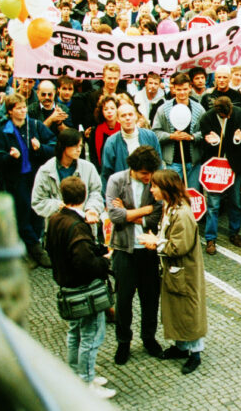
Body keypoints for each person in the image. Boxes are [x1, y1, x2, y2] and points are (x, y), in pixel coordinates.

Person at [44, 176, 115, 399]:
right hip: (84, 290)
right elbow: (85, 263)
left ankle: (76, 374)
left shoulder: (55, 219)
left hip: (66, 286)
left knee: (74, 334)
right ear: (84, 197)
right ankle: (86, 382)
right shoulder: (77, 226)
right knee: (91, 336)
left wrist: (98, 250)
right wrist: (106, 260)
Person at [139, 170, 207, 375]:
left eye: (154, 186)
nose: (151, 189)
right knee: (177, 309)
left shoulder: (182, 213)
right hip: (176, 271)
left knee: (188, 311)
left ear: (166, 188)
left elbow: (179, 246)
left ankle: (195, 354)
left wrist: (156, 242)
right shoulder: (170, 207)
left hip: (184, 272)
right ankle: (181, 347)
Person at [105, 145, 163, 365]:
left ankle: (149, 338)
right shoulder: (117, 181)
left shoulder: (154, 181)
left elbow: (157, 214)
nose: (148, 178)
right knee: (124, 301)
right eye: (144, 174)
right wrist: (144, 211)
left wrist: (130, 213)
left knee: (150, 299)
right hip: (124, 249)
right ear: (133, 170)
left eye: (150, 173)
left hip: (149, 251)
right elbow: (114, 215)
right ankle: (123, 342)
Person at [0, 93, 56, 267]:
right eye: (19, 108)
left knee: (37, 209)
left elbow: (54, 144)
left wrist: (40, 147)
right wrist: (10, 157)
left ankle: (35, 245)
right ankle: (34, 247)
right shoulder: (3, 132)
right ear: (10, 111)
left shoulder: (35, 126)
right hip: (16, 178)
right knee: (22, 211)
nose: (23, 111)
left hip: (36, 175)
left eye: (24, 107)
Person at [199, 96, 241, 254]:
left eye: (229, 115)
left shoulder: (239, 113)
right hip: (216, 167)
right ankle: (210, 238)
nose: (227, 117)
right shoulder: (206, 118)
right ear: (217, 111)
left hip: (234, 165)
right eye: (223, 116)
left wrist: (238, 139)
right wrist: (212, 141)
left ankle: (234, 232)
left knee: (236, 201)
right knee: (213, 204)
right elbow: (205, 140)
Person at [88, 94, 120, 170]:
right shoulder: (95, 131)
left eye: (112, 108)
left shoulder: (123, 129)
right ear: (101, 111)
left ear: (117, 109)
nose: (109, 111)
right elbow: (93, 155)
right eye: (105, 109)